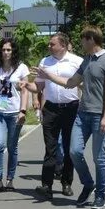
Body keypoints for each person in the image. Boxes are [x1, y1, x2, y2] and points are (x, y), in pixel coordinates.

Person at [37, 26, 105, 209]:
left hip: (99, 116)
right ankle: (88, 183)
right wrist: (47, 75)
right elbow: (71, 82)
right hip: (82, 114)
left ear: (91, 39)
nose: (80, 43)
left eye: (83, 39)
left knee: (99, 158)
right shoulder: (86, 61)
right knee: (74, 152)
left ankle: (100, 194)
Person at [24, 33, 83, 200]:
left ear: (63, 46)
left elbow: (83, 83)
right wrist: (27, 85)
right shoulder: (45, 62)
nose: (49, 47)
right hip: (50, 109)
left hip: (70, 108)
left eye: (52, 44)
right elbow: (39, 86)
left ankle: (66, 183)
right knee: (50, 149)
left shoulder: (76, 61)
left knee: (69, 147)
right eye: (49, 44)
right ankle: (47, 185)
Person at [0, 38, 29, 195]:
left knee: (12, 146)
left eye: (9, 50)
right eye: (3, 50)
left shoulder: (22, 68)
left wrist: (23, 110)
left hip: (15, 112)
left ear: (13, 51)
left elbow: (25, 90)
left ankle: (10, 179)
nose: (6, 52)